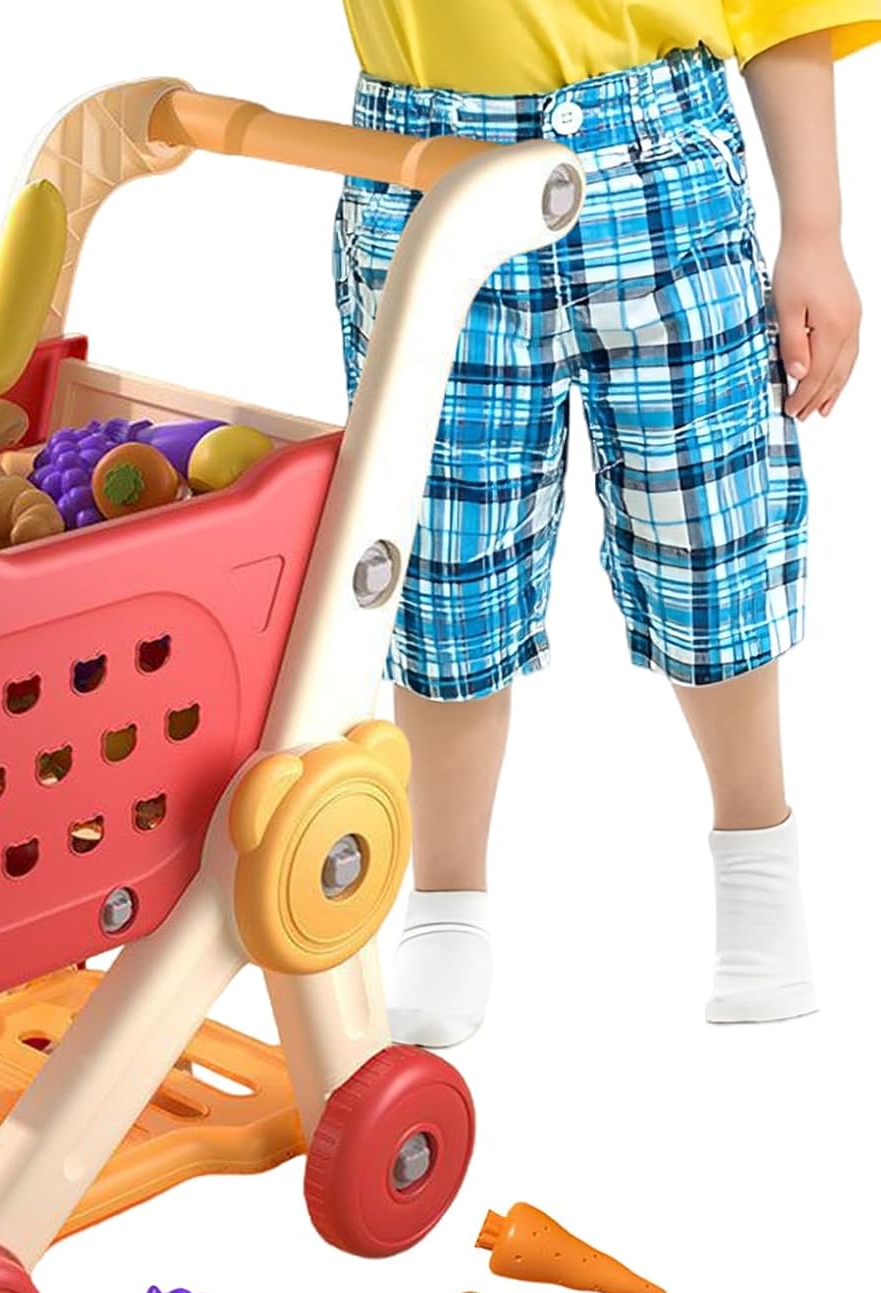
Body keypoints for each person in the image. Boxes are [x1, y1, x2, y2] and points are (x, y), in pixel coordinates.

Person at [336, 4, 876, 1042]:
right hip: (428, 166)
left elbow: (781, 12)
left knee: (709, 539)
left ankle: (758, 859)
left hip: (657, 165)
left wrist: (815, 229)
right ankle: (447, 902)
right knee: (444, 568)